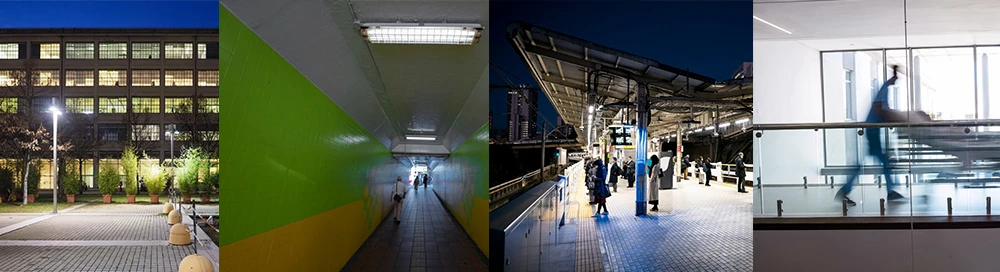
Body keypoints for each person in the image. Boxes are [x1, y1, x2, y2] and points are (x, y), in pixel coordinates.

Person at [837, 65, 905, 206]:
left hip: (873, 129)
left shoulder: (885, 88)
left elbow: (881, 109)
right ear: (894, 75)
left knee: (880, 162)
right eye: (896, 76)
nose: (897, 79)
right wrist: (890, 118)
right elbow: (878, 107)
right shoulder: (884, 87)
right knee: (882, 162)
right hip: (872, 130)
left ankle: (845, 190)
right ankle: (845, 190)